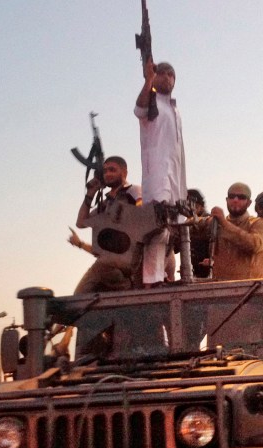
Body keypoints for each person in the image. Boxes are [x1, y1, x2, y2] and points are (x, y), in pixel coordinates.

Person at [135, 59, 186, 286]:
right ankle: (152, 279)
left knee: (174, 227)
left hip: (175, 175)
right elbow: (139, 108)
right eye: (162, 73)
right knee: (157, 228)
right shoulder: (151, 101)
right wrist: (147, 81)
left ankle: (166, 275)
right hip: (157, 173)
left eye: (171, 74)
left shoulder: (174, 108)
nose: (167, 77)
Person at [70, 155, 143, 293]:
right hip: (109, 261)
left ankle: (128, 286)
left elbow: (142, 210)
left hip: (129, 257)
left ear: (124, 172)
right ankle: (125, 285)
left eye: (112, 170)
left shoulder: (133, 191)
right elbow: (81, 223)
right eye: (105, 171)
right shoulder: (106, 204)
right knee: (82, 295)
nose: (108, 174)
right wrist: (90, 194)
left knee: (79, 296)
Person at [193, 183, 263, 280]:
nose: (235, 200)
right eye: (232, 196)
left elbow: (253, 245)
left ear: (249, 203)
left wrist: (224, 223)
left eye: (241, 197)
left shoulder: (258, 223)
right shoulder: (218, 223)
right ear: (227, 200)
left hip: (251, 290)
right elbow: (191, 225)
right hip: (221, 289)